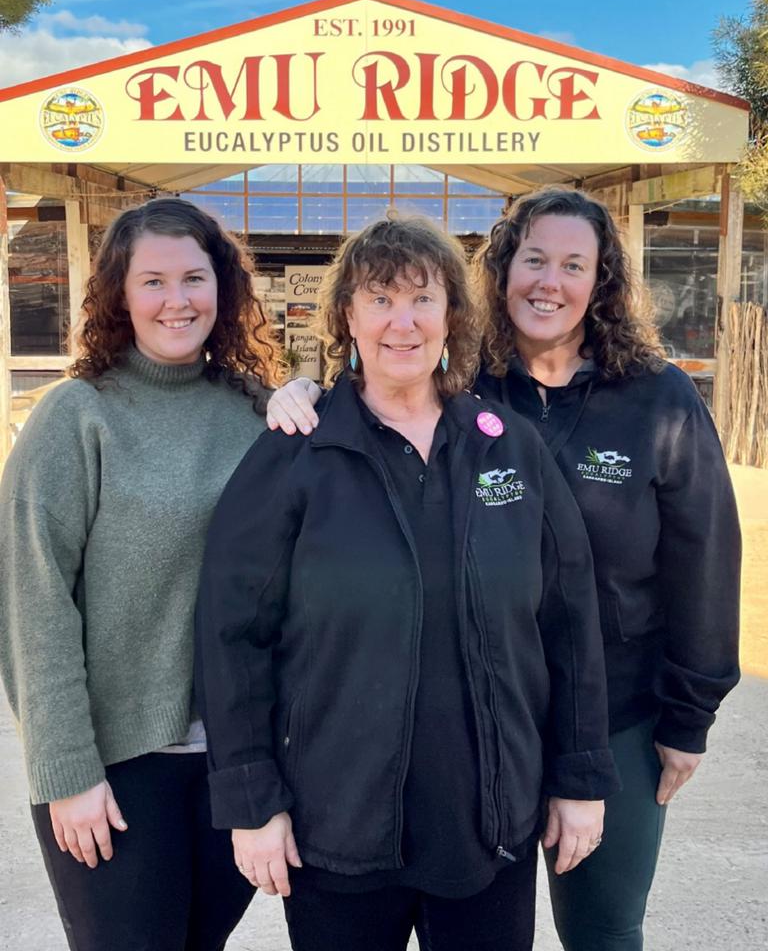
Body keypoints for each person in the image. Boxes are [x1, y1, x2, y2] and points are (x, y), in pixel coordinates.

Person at [265, 187, 741, 951]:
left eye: (574, 265)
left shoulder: (658, 400)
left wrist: (689, 715)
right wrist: (298, 392)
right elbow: (372, 394)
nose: (549, 282)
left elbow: (705, 563)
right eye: (534, 260)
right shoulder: (460, 386)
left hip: (611, 712)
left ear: (601, 282)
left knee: (604, 926)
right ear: (501, 270)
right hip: (478, 715)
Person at [195, 214, 620, 951]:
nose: (403, 321)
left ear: (452, 315)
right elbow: (232, 636)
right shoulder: (296, 453)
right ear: (347, 317)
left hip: (487, 824)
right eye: (380, 298)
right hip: (340, 828)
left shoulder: (508, 448)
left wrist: (581, 778)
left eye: (423, 299)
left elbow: (569, 621)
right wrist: (251, 802)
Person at [0, 197, 283, 951]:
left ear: (222, 288)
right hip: (120, 768)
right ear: (119, 295)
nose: (176, 300)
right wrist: (64, 770)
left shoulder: (253, 409)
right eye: (152, 281)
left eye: (194, 278)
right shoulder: (77, 416)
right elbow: (33, 601)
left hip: (232, 765)